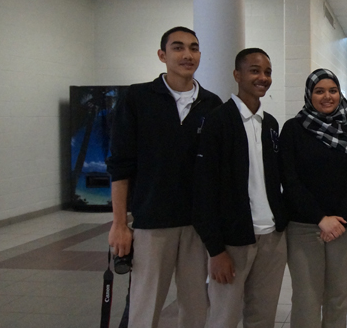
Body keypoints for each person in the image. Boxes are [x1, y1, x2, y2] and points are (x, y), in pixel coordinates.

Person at [106, 26, 223, 328]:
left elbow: (218, 170)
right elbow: (120, 165)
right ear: (162, 55)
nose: (187, 55)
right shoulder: (138, 98)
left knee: (196, 307)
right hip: (151, 224)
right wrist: (119, 224)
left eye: (194, 48)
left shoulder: (212, 105)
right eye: (178, 47)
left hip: (198, 226)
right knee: (145, 308)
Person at [195, 48, 286, 328]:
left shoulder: (270, 124)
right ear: (237, 75)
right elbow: (203, 190)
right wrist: (216, 250)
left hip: (271, 237)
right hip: (233, 242)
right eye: (255, 70)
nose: (263, 77)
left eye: (267, 72)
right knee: (224, 317)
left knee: (263, 317)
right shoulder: (218, 121)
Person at [281, 68, 347, 328]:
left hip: (343, 227)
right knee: (307, 297)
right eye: (319, 91)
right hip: (304, 226)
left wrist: (343, 220)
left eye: (333, 90)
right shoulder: (294, 129)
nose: (327, 96)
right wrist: (320, 219)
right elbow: (290, 181)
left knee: (338, 295)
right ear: (309, 95)